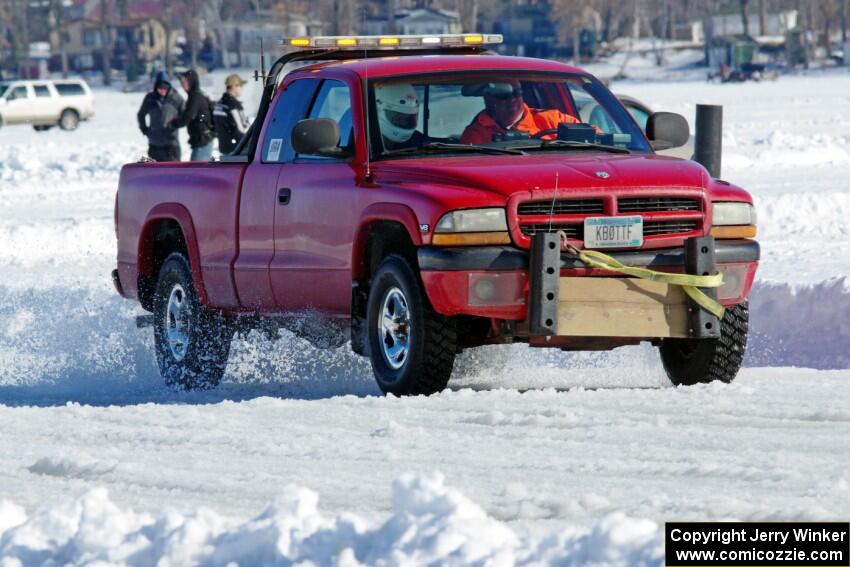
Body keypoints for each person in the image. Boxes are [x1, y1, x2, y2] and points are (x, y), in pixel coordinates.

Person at [460, 80, 584, 145]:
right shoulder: (475, 134)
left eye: (517, 93)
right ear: (488, 99)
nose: (512, 99)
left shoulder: (554, 119)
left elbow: (595, 139)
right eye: (504, 95)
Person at [136, 71, 184, 162]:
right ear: (155, 88)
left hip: (171, 144)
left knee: (173, 173)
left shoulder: (176, 98)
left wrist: (176, 124)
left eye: (165, 88)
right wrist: (145, 129)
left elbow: (186, 115)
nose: (162, 91)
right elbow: (141, 114)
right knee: (156, 173)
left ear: (169, 87)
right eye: (160, 88)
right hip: (154, 144)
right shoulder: (150, 98)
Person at [172, 69, 216, 161]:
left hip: (203, 142)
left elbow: (188, 116)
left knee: (196, 172)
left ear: (192, 81)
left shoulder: (195, 97)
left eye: (185, 81)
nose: (182, 84)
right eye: (181, 81)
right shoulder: (196, 95)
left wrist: (174, 123)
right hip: (202, 141)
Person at [375, 82, 425, 151]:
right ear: (378, 111)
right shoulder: (362, 144)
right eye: (399, 118)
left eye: (409, 118)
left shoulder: (418, 141)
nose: (405, 122)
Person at [213, 74, 251, 154]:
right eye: (240, 86)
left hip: (224, 147)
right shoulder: (233, 105)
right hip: (237, 149)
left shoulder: (220, 104)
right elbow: (242, 129)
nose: (242, 89)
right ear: (234, 86)